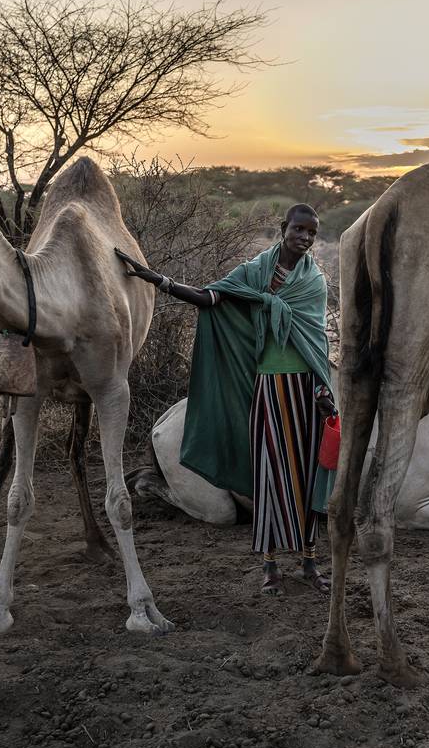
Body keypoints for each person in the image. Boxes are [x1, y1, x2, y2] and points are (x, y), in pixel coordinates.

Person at [116, 204, 336, 597]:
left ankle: (309, 563)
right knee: (267, 476)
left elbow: (317, 342)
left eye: (312, 233)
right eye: (299, 229)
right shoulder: (256, 271)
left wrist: (323, 389)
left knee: (305, 478)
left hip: (305, 391)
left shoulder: (314, 282)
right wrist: (158, 280)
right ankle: (270, 566)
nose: (305, 237)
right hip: (268, 389)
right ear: (283, 228)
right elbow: (210, 298)